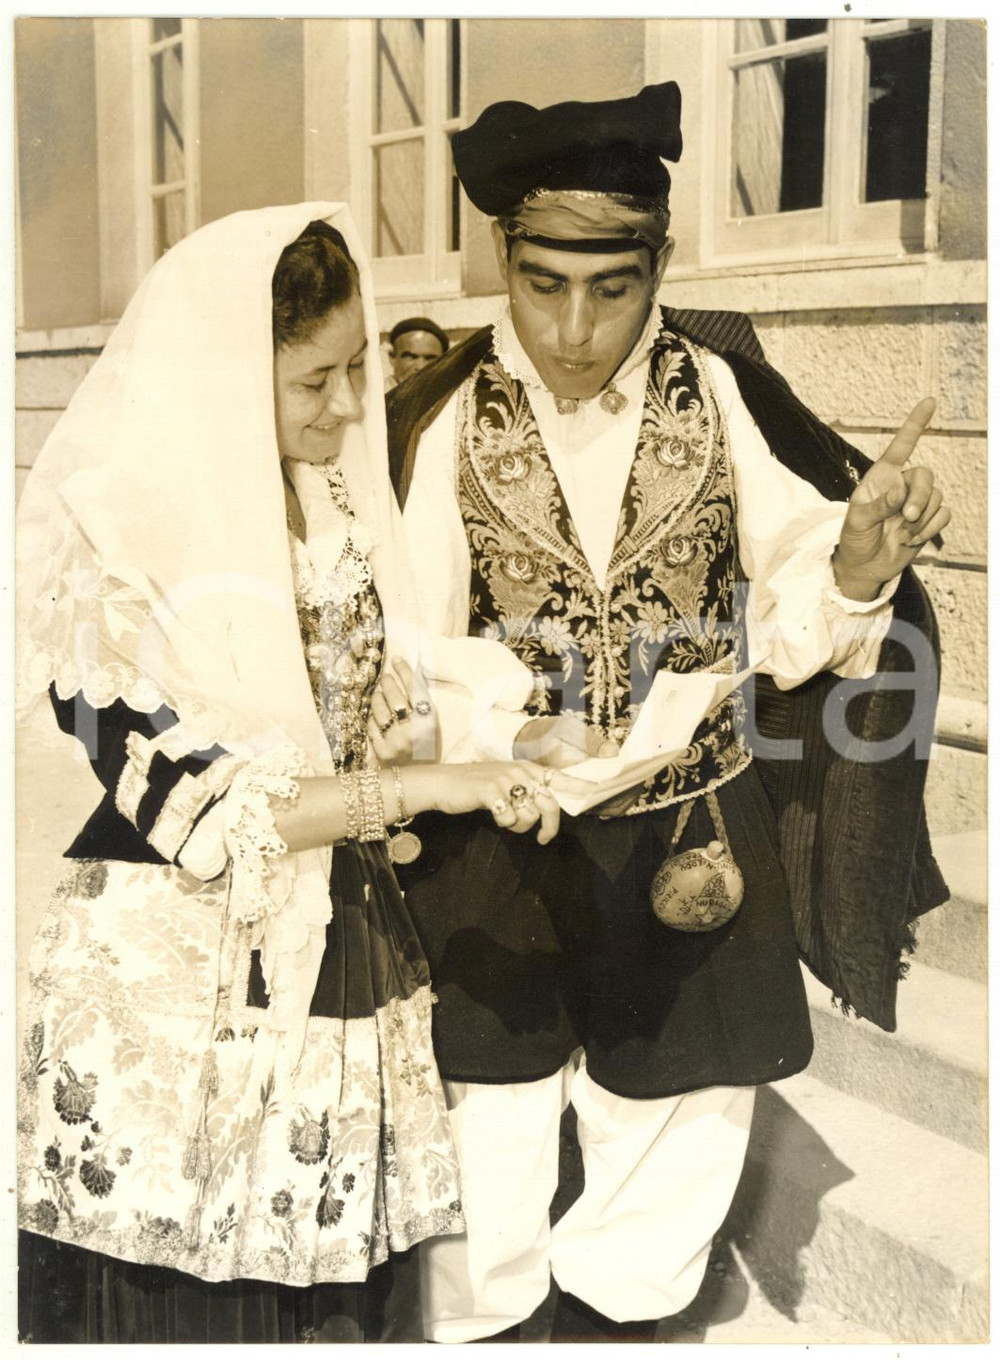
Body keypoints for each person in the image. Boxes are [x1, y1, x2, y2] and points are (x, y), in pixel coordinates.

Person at [387, 84, 951, 1342]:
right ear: (500, 260)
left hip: (686, 826)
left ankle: (626, 1320)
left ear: (661, 263)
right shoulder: (433, 427)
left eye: (613, 286)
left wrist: (855, 562)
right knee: (488, 1111)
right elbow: (398, 637)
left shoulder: (723, 392)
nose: (575, 328)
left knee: (680, 1111)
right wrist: (496, 721)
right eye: (543, 285)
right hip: (500, 832)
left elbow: (805, 584)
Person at [15, 203, 571, 1344]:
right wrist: (432, 788)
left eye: (359, 368)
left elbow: (372, 713)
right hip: (173, 992)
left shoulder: (331, 521)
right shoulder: (110, 567)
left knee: (328, 1291)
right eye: (315, 380)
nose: (352, 406)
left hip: (340, 956)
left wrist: (495, 741)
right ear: (223, 377)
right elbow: (211, 819)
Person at [388, 316, 450, 387]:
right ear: (392, 358)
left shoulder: (454, 396)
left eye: (430, 358)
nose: (420, 367)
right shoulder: (375, 395)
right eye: (411, 357)